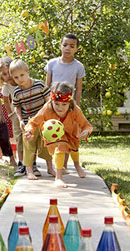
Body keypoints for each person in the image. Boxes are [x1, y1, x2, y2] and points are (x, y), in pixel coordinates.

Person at [24, 81, 93, 188]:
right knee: (61, 147)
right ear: (51, 101)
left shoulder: (75, 110)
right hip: (54, 135)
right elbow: (33, 122)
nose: (59, 107)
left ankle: (77, 165)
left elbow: (86, 125)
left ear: (70, 103)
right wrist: (29, 131)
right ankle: (59, 177)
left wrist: (86, 131)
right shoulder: (47, 109)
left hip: (72, 133)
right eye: (56, 103)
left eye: (64, 104)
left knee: (74, 149)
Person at [45, 33, 86, 174]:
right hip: (53, 105)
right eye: (65, 45)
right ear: (60, 46)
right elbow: (47, 85)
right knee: (52, 133)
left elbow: (79, 88)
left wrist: (76, 106)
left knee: (68, 134)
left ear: (76, 49)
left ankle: (65, 165)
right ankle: (53, 166)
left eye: (72, 46)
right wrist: (47, 104)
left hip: (69, 105)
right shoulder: (51, 64)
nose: (68, 48)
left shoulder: (79, 67)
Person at [9, 59, 55, 180]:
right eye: (16, 77)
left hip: (43, 121)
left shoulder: (39, 85)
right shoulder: (17, 92)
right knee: (28, 145)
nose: (20, 79)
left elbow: (48, 100)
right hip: (28, 122)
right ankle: (30, 171)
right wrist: (20, 120)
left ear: (28, 72)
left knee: (47, 144)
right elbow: (17, 107)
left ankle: (50, 168)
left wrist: (45, 116)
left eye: (22, 75)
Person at [0, 57, 26, 176]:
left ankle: (30, 162)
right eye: (4, 74)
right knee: (18, 137)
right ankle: (20, 161)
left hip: (28, 111)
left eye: (9, 72)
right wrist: (11, 114)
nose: (7, 76)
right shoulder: (6, 86)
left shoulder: (21, 81)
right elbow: (6, 101)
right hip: (16, 114)